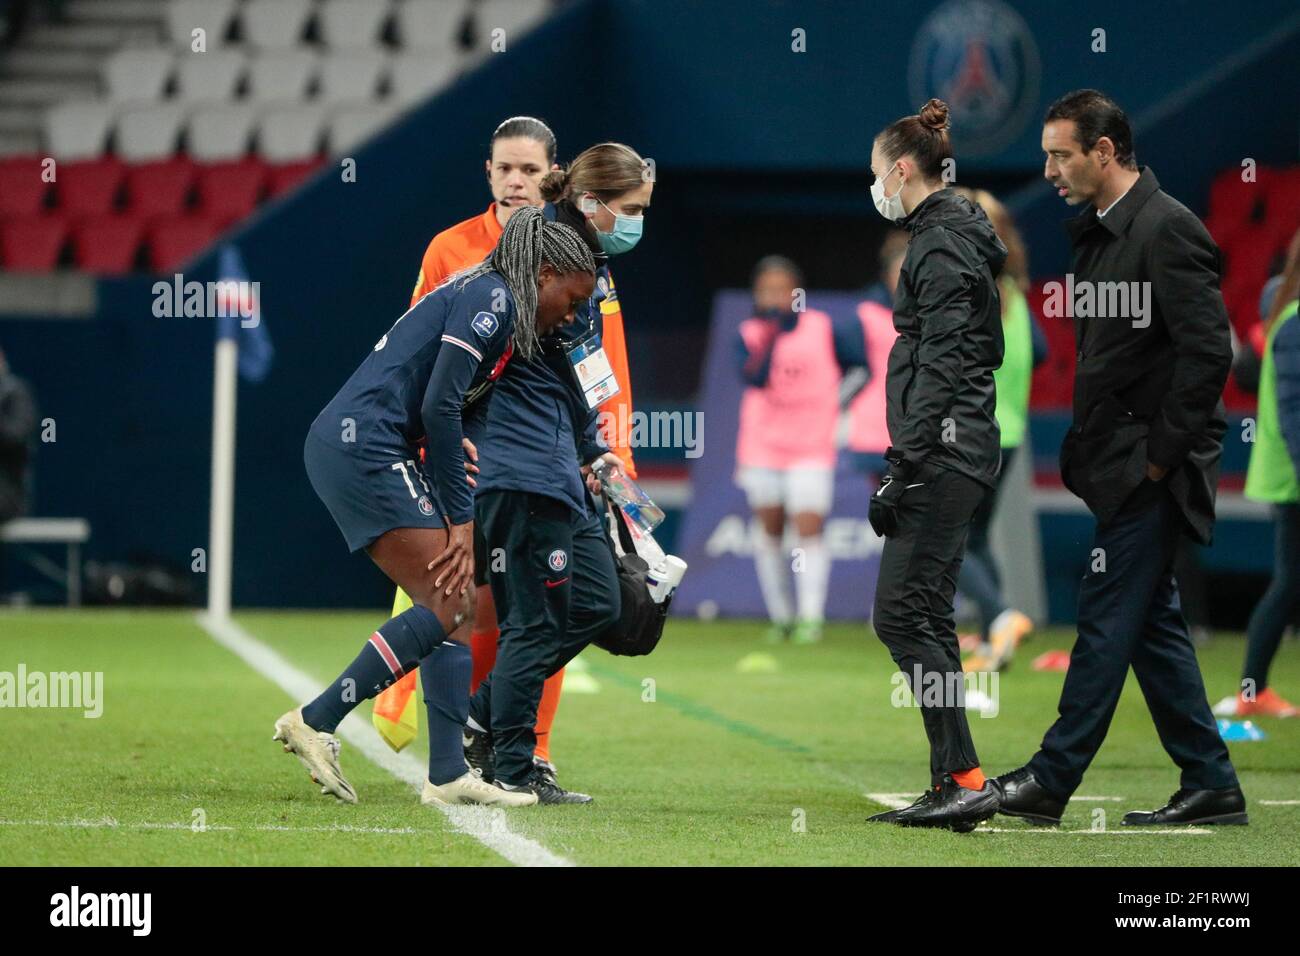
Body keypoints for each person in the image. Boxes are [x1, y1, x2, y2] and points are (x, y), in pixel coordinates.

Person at [275, 207, 596, 808]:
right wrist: (461, 518)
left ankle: (447, 773)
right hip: (363, 443)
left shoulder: (498, 299)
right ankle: (317, 719)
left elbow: (447, 405)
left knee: (457, 602)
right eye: (572, 300)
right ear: (546, 274)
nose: (572, 315)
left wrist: (449, 447)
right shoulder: (496, 298)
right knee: (451, 596)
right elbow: (440, 406)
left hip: (376, 442)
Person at [995, 89, 1246, 828]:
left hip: (1148, 469)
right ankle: (1212, 780)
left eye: (1060, 155)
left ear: (1104, 152)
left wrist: (1162, 460)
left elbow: (1211, 353)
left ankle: (1051, 776)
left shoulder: (1170, 229)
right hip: (1118, 464)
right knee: (1149, 626)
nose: (1048, 170)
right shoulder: (1102, 231)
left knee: (1106, 618)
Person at [376, 120, 641, 792]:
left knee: (552, 605)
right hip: (486, 464)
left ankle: (519, 744)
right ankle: (477, 740)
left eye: (528, 169)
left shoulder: (579, 258)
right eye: (504, 170)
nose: (516, 181)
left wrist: (611, 453)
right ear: (488, 173)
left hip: (552, 459)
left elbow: (602, 366)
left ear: (551, 173)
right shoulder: (457, 250)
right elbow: (424, 354)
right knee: (485, 609)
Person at [461, 141, 654, 802]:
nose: (637, 221)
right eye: (630, 208)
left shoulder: (587, 259)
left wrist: (595, 451)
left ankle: (482, 714)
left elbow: (573, 372)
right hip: (524, 464)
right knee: (534, 624)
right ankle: (513, 767)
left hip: (559, 461)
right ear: (594, 202)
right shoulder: (546, 251)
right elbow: (505, 351)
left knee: (599, 602)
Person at [862, 99, 1005, 832]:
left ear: (903, 169)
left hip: (945, 453)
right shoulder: (955, 235)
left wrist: (905, 461)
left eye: (878, 174)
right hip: (958, 450)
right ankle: (953, 779)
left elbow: (942, 363)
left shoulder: (941, 245)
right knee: (926, 616)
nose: (875, 188)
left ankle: (965, 777)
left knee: (899, 615)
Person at [734, 255, 867, 644]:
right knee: (770, 531)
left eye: (782, 289)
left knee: (809, 530)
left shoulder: (824, 328)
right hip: (762, 447)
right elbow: (753, 377)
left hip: (811, 446)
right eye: (766, 290)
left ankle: (811, 617)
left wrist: (835, 404)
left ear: (797, 293)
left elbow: (860, 368)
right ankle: (781, 617)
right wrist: (773, 333)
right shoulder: (747, 334)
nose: (774, 296)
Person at [949, 188, 1041, 673]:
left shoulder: (966, 290)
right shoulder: (1013, 291)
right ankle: (991, 643)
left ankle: (1002, 616)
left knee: (949, 539)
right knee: (977, 538)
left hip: (971, 432)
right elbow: (1040, 352)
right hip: (1009, 431)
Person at [1229, 227, 1300, 717]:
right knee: (1289, 581)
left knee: (1290, 580)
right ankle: (1252, 690)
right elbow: (1296, 412)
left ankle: (1253, 689)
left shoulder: (1285, 315)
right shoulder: (1293, 321)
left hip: (1287, 470)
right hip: (1292, 474)